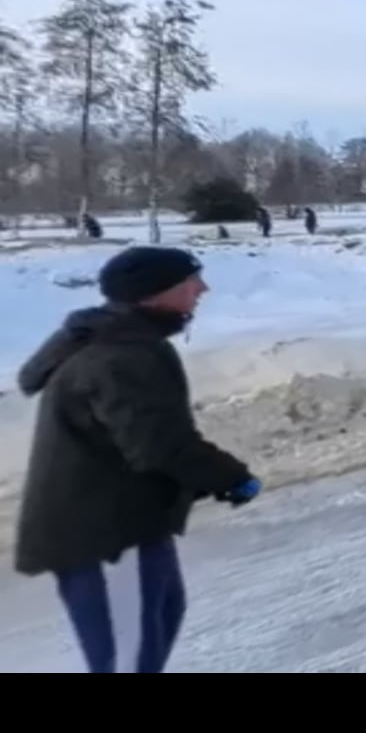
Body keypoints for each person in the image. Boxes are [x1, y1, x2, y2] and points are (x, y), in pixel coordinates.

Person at [13, 247, 261, 673]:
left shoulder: (121, 344)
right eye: (191, 281)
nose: (202, 289)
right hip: (104, 533)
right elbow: (157, 444)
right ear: (155, 293)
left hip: (129, 523)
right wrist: (231, 477)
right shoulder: (118, 356)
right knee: (128, 657)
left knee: (159, 619)